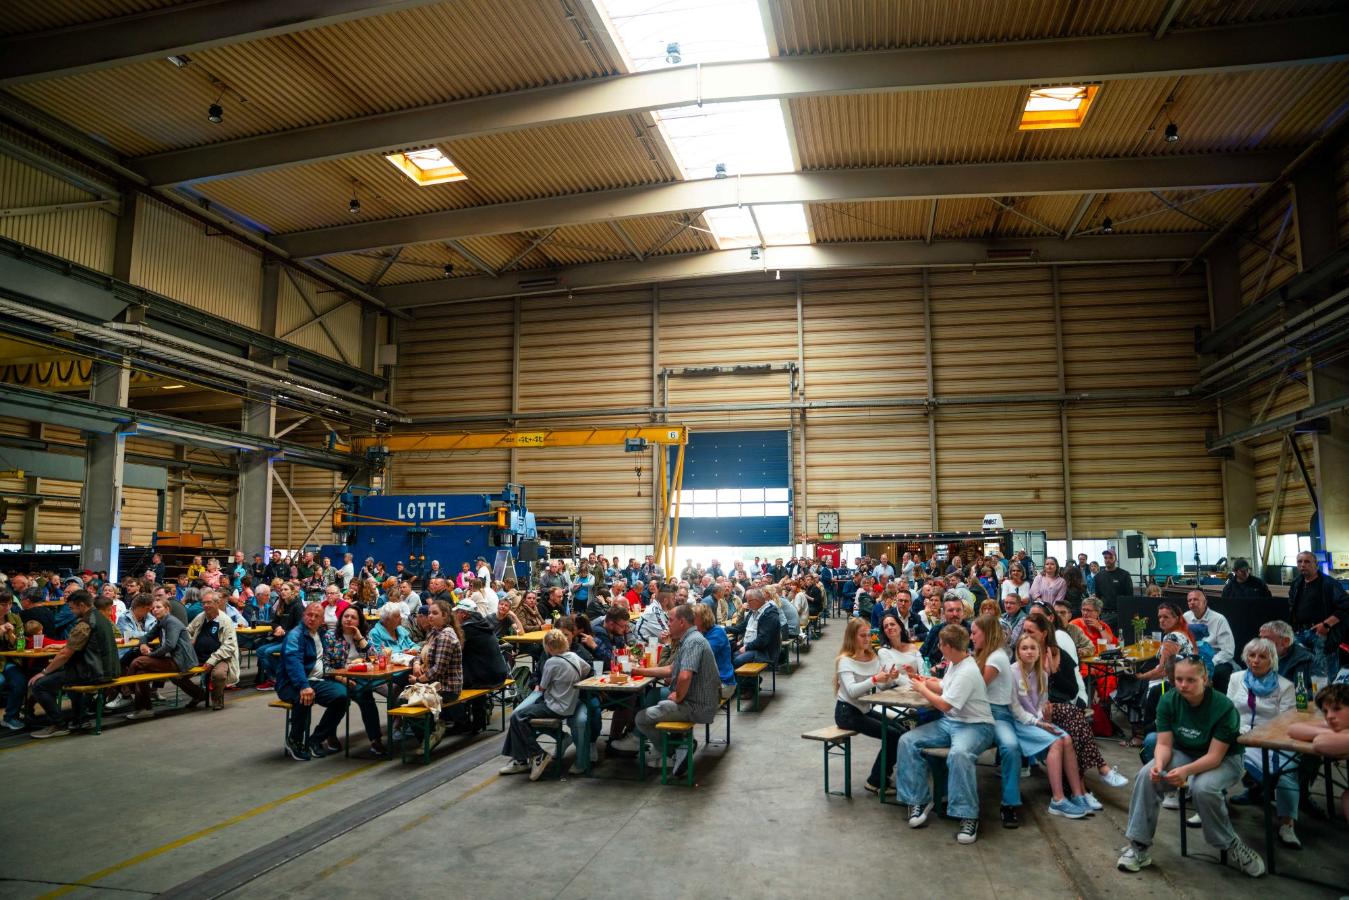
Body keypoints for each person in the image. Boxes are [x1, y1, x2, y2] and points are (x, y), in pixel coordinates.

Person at [1117, 656, 1265, 877]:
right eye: (1179, 679)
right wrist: (1159, 765)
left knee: (1202, 788)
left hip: (1224, 759)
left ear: (1204, 679)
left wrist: (1185, 772)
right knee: (1147, 775)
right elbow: (1164, 744)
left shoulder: (1223, 707)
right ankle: (1138, 846)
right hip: (1186, 752)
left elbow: (1214, 757)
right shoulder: (1169, 700)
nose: (1183, 685)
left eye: (1190, 680)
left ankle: (1230, 843)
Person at [893, 624, 997, 845]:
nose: (939, 647)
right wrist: (923, 680)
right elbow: (945, 687)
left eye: (941, 644)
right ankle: (917, 800)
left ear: (949, 647)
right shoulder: (956, 663)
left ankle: (968, 815)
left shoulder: (967, 671)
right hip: (952, 723)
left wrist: (922, 689)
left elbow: (945, 705)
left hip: (976, 726)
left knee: (960, 755)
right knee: (907, 741)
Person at [1021, 612, 1127, 797]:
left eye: (1031, 631)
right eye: (1025, 631)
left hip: (1060, 706)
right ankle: (1097, 773)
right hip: (1034, 709)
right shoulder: (1024, 654)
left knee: (1072, 723)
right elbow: (1022, 692)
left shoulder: (1058, 654)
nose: (1026, 635)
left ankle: (1078, 786)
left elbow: (1071, 690)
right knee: (1073, 717)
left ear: (1044, 633)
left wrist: (1054, 672)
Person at [1010, 632, 1092, 819]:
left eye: (1033, 648)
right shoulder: (1012, 672)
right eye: (1024, 648)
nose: (1029, 652)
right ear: (1018, 652)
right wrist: (1038, 722)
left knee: (1066, 739)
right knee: (1056, 742)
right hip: (1020, 723)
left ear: (1039, 652)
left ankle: (1077, 794)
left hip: (1036, 721)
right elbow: (1014, 708)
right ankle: (1058, 799)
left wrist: (1042, 718)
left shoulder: (1042, 675)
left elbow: (1041, 703)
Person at [1226, 637, 1299, 847]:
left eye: (1262, 656)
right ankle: (1210, 809)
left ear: (1272, 660)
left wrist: (1261, 736)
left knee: (1287, 771)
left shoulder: (1285, 686)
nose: (1255, 660)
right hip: (1239, 735)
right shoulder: (1236, 678)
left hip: (1272, 740)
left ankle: (1287, 824)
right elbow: (1228, 709)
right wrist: (1236, 732)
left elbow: (1286, 722)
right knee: (1219, 758)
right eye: (1251, 655)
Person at [633, 604, 721, 777]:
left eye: (671, 620)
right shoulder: (691, 639)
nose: (668, 624)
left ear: (682, 622)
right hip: (699, 700)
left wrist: (678, 697)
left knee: (641, 718)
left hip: (698, 706)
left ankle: (674, 751)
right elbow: (671, 669)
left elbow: (685, 676)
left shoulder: (693, 642)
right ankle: (678, 745)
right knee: (660, 701)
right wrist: (639, 671)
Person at [26, 590, 119, 738]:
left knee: (39, 685)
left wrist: (44, 672)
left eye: (72, 608)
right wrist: (60, 646)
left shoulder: (85, 623)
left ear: (81, 605)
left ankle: (58, 724)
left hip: (93, 673)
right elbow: (85, 644)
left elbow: (65, 654)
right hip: (109, 670)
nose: (71, 611)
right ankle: (79, 720)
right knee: (69, 681)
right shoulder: (102, 618)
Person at [499, 628, 587, 780]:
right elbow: (586, 670)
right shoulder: (574, 657)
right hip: (569, 703)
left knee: (517, 716)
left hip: (554, 706)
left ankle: (537, 754)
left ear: (548, 647)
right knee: (519, 717)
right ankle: (520, 759)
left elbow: (542, 687)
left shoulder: (551, 662)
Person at [834, 617, 903, 795]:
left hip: (863, 709)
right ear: (852, 637)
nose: (867, 639)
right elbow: (852, 691)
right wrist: (874, 679)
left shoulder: (872, 657)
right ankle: (876, 781)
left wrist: (890, 678)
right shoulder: (845, 661)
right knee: (893, 735)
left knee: (901, 730)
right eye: (862, 635)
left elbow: (882, 686)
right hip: (847, 712)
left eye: (869, 635)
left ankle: (881, 776)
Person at [970, 613, 1027, 828]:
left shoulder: (996, 657)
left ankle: (1009, 803)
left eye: (974, 633)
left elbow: (976, 687)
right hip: (981, 711)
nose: (971, 637)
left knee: (1011, 747)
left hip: (998, 713)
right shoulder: (984, 654)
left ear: (986, 633)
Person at [277, 601, 350, 761]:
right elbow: (293, 662)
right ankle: (294, 739)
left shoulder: (321, 634)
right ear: (303, 616)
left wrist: (340, 675)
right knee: (304, 697)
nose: (312, 618)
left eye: (317, 616)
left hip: (317, 681)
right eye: (309, 615)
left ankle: (315, 739)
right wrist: (303, 686)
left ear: (322, 620)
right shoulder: (295, 635)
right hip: (291, 683)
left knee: (343, 697)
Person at [319, 604, 387, 758]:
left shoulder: (362, 635)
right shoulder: (330, 636)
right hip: (336, 677)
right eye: (346, 616)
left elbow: (375, 658)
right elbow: (325, 665)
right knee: (341, 698)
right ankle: (330, 733)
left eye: (353, 617)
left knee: (367, 698)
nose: (348, 619)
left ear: (359, 621)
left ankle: (375, 740)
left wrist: (360, 638)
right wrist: (342, 678)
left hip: (359, 677)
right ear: (341, 618)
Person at [125, 595, 201, 720]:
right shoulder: (161, 622)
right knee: (141, 672)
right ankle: (145, 709)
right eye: (153, 608)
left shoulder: (171, 622)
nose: (155, 610)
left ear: (167, 609)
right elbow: (146, 636)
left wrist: (151, 655)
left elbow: (169, 645)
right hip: (169, 659)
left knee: (138, 661)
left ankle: (127, 689)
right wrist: (143, 644)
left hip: (179, 661)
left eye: (158, 607)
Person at [1286, 683, 1349, 825]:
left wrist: (1328, 735)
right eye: (1325, 711)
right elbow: (1293, 729)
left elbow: (1320, 743)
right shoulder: (1342, 723)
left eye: (1337, 709)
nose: (1330, 716)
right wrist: (1333, 732)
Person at [409, 599, 464, 748]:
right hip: (434, 684)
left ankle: (429, 736)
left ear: (445, 615)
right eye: (429, 613)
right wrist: (416, 663)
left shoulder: (445, 636)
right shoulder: (434, 632)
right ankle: (433, 728)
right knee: (403, 694)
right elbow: (420, 651)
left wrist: (418, 680)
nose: (430, 616)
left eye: (435, 613)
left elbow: (438, 669)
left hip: (447, 688)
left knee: (405, 701)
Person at [1288, 550, 1348, 683]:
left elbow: (1345, 606)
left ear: (1316, 564)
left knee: (1324, 673)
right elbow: (1292, 606)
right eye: (1299, 562)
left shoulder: (1329, 584)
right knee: (1304, 671)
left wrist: (1326, 625)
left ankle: (1328, 695)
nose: (1303, 565)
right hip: (1300, 633)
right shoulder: (1297, 583)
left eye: (1307, 562)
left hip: (1321, 634)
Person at [452, 598, 508, 734]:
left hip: (486, 678)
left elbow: (454, 652)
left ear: (464, 614)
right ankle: (478, 719)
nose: (454, 616)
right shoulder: (482, 624)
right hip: (499, 673)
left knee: (449, 685)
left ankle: (461, 721)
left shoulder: (467, 629)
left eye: (456, 612)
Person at [185, 590, 239, 710]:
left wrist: (212, 661)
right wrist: (189, 640)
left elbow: (229, 646)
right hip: (196, 657)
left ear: (217, 603)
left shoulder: (225, 621)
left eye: (209, 602)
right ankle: (198, 694)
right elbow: (187, 631)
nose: (205, 605)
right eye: (203, 603)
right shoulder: (201, 617)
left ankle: (217, 699)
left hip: (219, 658)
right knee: (176, 675)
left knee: (219, 674)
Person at [1183, 589, 1236, 692]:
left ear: (1205, 602)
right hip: (1192, 656)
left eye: (1195, 599)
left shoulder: (1219, 619)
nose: (1192, 602)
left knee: (1220, 673)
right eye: (1189, 600)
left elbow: (1228, 651)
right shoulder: (1185, 617)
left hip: (1215, 658)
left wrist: (1209, 663)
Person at [691, 602, 736, 700]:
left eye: (694, 618)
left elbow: (700, 656)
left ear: (704, 618)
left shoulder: (717, 632)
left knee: (680, 693)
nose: (691, 620)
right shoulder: (702, 632)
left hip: (723, 684)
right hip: (709, 681)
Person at [728, 588, 780, 668]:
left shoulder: (770, 614)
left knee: (736, 660)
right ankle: (742, 676)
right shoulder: (753, 611)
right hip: (751, 648)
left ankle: (745, 677)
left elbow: (763, 640)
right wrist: (724, 629)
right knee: (729, 656)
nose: (747, 603)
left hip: (764, 652)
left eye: (748, 601)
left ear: (756, 601)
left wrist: (746, 647)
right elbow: (741, 627)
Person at [1257, 620, 1314, 689]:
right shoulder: (1266, 655)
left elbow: (1302, 693)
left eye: (1266, 640)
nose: (1261, 644)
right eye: (1260, 639)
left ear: (1286, 641)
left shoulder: (1302, 661)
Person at [919, 594, 969, 667]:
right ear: (943, 613)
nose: (955, 614)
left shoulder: (971, 632)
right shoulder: (936, 630)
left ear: (963, 612)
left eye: (958, 610)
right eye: (950, 610)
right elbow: (921, 653)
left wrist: (941, 667)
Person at [1, 590, 27, 729]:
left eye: (10, 604)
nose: (7, 607)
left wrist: (12, 636)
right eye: (3, 604)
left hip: (10, 662)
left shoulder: (15, 619)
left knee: (19, 682)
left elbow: (22, 645)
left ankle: (10, 717)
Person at [1094, 548, 1133, 628]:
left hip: (1121, 613)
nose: (1107, 560)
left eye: (1110, 557)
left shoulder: (1124, 575)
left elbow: (1129, 596)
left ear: (1115, 559)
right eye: (1105, 558)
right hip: (1105, 614)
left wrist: (1127, 612)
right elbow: (1098, 596)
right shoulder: (1098, 576)